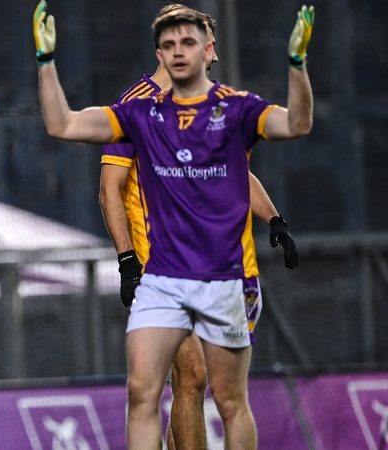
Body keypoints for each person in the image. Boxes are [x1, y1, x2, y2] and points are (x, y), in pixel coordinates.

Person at [33, 2, 314, 448]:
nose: (189, 49)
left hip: (219, 271)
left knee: (208, 388)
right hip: (159, 267)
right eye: (172, 41)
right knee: (186, 376)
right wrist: (128, 260)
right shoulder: (138, 108)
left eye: (192, 39)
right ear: (162, 51)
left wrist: (274, 218)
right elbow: (109, 190)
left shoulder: (225, 106)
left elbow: (242, 169)